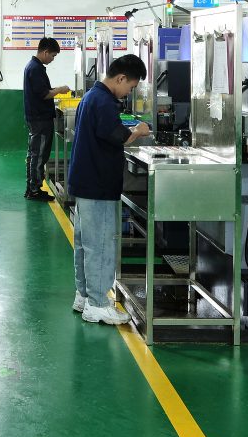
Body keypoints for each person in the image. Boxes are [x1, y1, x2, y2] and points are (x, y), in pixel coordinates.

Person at [67, 54, 151, 325]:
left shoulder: (92, 97)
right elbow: (119, 137)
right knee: (101, 245)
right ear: (121, 78)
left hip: (85, 181)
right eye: (131, 87)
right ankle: (98, 304)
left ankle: (84, 295)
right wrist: (139, 130)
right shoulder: (103, 102)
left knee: (85, 244)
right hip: (98, 184)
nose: (129, 93)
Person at [22, 37, 64, 201]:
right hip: (40, 119)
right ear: (45, 52)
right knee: (38, 154)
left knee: (34, 153)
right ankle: (34, 189)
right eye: (53, 56)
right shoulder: (35, 69)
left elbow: (42, 90)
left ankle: (31, 187)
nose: (52, 59)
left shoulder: (34, 67)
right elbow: (44, 94)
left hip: (36, 117)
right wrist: (60, 89)